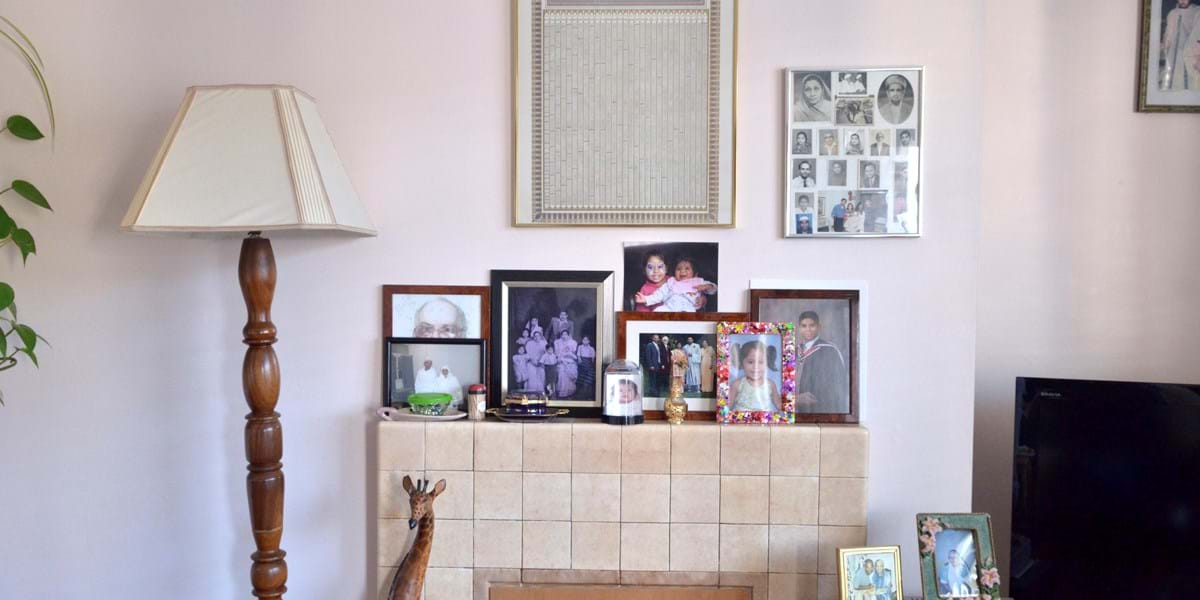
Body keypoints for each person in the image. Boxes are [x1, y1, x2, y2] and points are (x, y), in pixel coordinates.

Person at [795, 311, 848, 413]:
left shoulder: (830, 351)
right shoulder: (794, 351)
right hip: (795, 409)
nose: (808, 329)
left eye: (812, 325)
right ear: (799, 328)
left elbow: (838, 383)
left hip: (820, 409)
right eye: (804, 326)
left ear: (819, 327)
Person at [635, 258, 718, 313]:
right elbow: (659, 294)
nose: (682, 271)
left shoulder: (697, 281)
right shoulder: (671, 282)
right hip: (669, 307)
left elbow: (714, 289)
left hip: (687, 308)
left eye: (687, 268)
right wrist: (646, 299)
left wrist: (708, 286)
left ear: (695, 274)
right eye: (678, 269)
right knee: (657, 311)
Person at [730, 339, 780, 412]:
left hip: (764, 421)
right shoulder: (738, 384)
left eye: (761, 362)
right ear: (742, 362)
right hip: (741, 421)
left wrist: (789, 397)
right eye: (750, 362)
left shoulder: (770, 384)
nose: (756, 367)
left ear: (767, 363)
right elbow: (727, 406)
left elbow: (779, 404)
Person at [1162, 0, 1200, 90]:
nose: (1182, 0)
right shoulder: (1172, 13)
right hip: (1172, 57)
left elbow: (1197, 36)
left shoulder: (1197, 12)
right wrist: (1164, 45)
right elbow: (1168, 36)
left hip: (1189, 55)